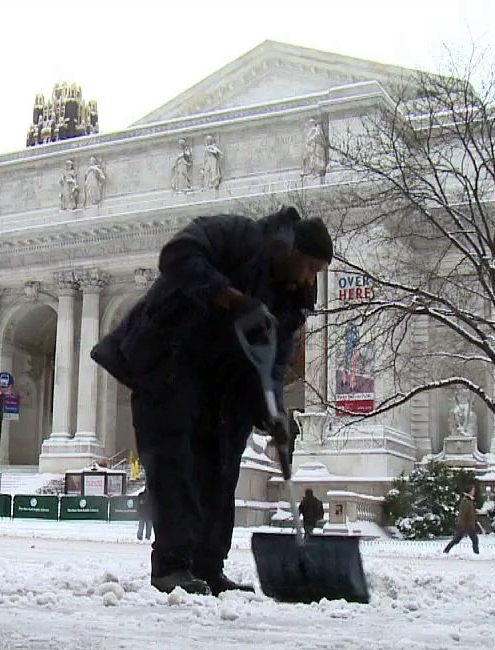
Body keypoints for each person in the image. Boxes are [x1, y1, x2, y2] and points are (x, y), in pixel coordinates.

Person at [93, 207, 333, 595]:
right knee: (175, 464)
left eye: (316, 273)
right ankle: (171, 566)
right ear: (289, 249)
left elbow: (271, 364)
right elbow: (177, 256)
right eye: (308, 266)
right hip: (169, 358)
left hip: (225, 385)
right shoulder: (236, 236)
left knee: (222, 471)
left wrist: (273, 415)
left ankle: (208, 565)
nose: (308, 278)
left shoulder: (290, 301)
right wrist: (231, 297)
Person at [444, 487, 480, 554]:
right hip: (466, 524)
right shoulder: (466, 501)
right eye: (472, 490)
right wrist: (461, 523)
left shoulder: (470, 500)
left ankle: (446, 550)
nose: (474, 492)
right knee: (474, 539)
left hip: (467, 524)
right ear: (469, 491)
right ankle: (476, 553)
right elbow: (463, 513)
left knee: (457, 539)